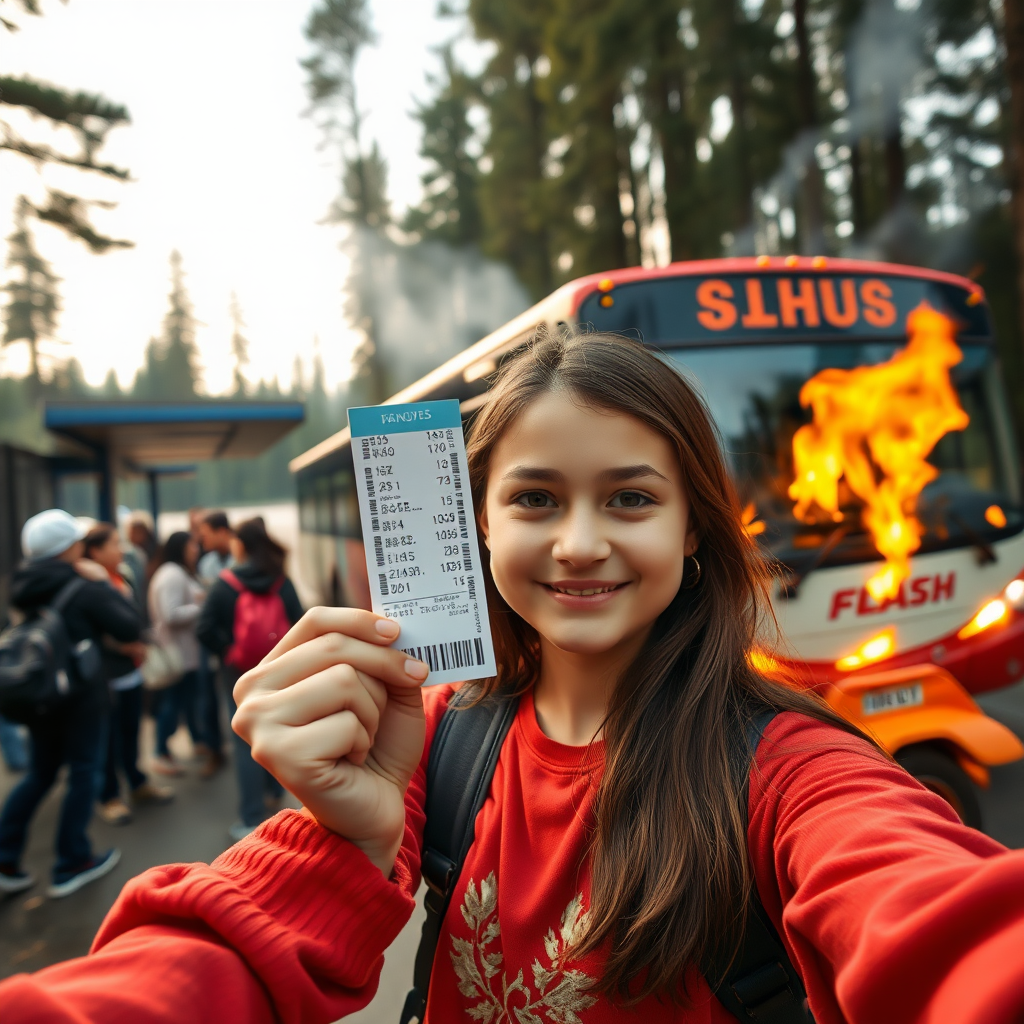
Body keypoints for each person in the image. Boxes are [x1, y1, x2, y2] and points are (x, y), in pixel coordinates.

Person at [3, 332, 1024, 1022]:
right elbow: (221, 959)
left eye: (630, 499)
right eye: (535, 499)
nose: (579, 543)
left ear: (694, 533)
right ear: (476, 525)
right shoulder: (435, 731)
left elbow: (934, 914)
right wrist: (344, 839)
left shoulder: (788, 771)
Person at [0, 509, 140, 899]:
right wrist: (105, 583)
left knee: (40, 774)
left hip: (41, 696)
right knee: (85, 772)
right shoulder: (84, 585)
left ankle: (5, 859)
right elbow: (130, 626)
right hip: (80, 699)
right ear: (69, 548)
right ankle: (71, 863)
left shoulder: (23, 584)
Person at [196, 517, 303, 841]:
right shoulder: (280, 580)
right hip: (277, 669)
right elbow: (300, 622)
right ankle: (274, 791)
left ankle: (251, 817)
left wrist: (228, 651)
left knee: (245, 740)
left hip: (238, 673)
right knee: (275, 730)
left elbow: (204, 629)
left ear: (239, 545)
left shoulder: (224, 584)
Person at [81, 524, 174, 825]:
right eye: (113, 544)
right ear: (94, 551)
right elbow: (94, 629)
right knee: (107, 739)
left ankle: (136, 783)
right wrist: (124, 646)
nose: (120, 549)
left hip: (131, 672)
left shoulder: (122, 575)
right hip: (106, 674)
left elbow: (133, 617)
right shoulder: (89, 584)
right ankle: (109, 796)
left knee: (132, 730)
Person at [147, 532, 206, 776]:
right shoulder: (172, 574)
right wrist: (201, 606)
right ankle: (160, 752)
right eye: (192, 544)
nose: (196, 549)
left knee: (183, 701)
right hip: (178, 653)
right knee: (173, 704)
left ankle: (195, 741)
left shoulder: (173, 571)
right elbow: (171, 615)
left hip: (182, 652)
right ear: (180, 547)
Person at [192, 510, 236, 777]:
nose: (200, 539)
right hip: (215, 641)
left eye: (204, 533)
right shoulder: (206, 563)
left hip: (238, 641)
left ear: (222, 531)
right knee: (208, 699)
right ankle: (216, 752)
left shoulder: (240, 559)